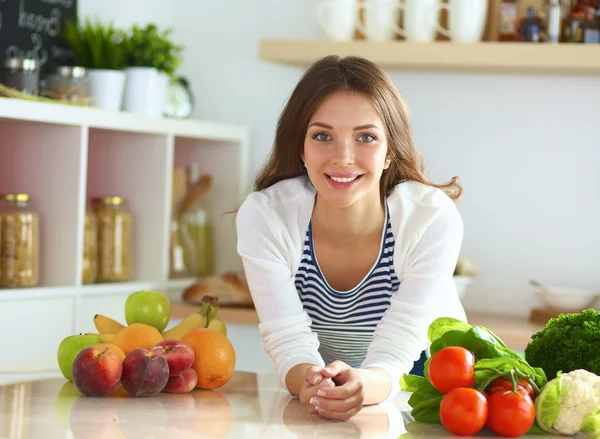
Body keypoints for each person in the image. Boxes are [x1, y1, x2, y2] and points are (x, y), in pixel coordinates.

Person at [235, 55, 467, 421]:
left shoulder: (430, 218)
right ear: (301, 147)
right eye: (323, 136)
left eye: (366, 137)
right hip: (337, 385)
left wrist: (365, 384)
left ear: (390, 150)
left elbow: (400, 346)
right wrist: (310, 380)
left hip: (435, 383)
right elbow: (288, 342)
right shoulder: (266, 217)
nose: (343, 158)